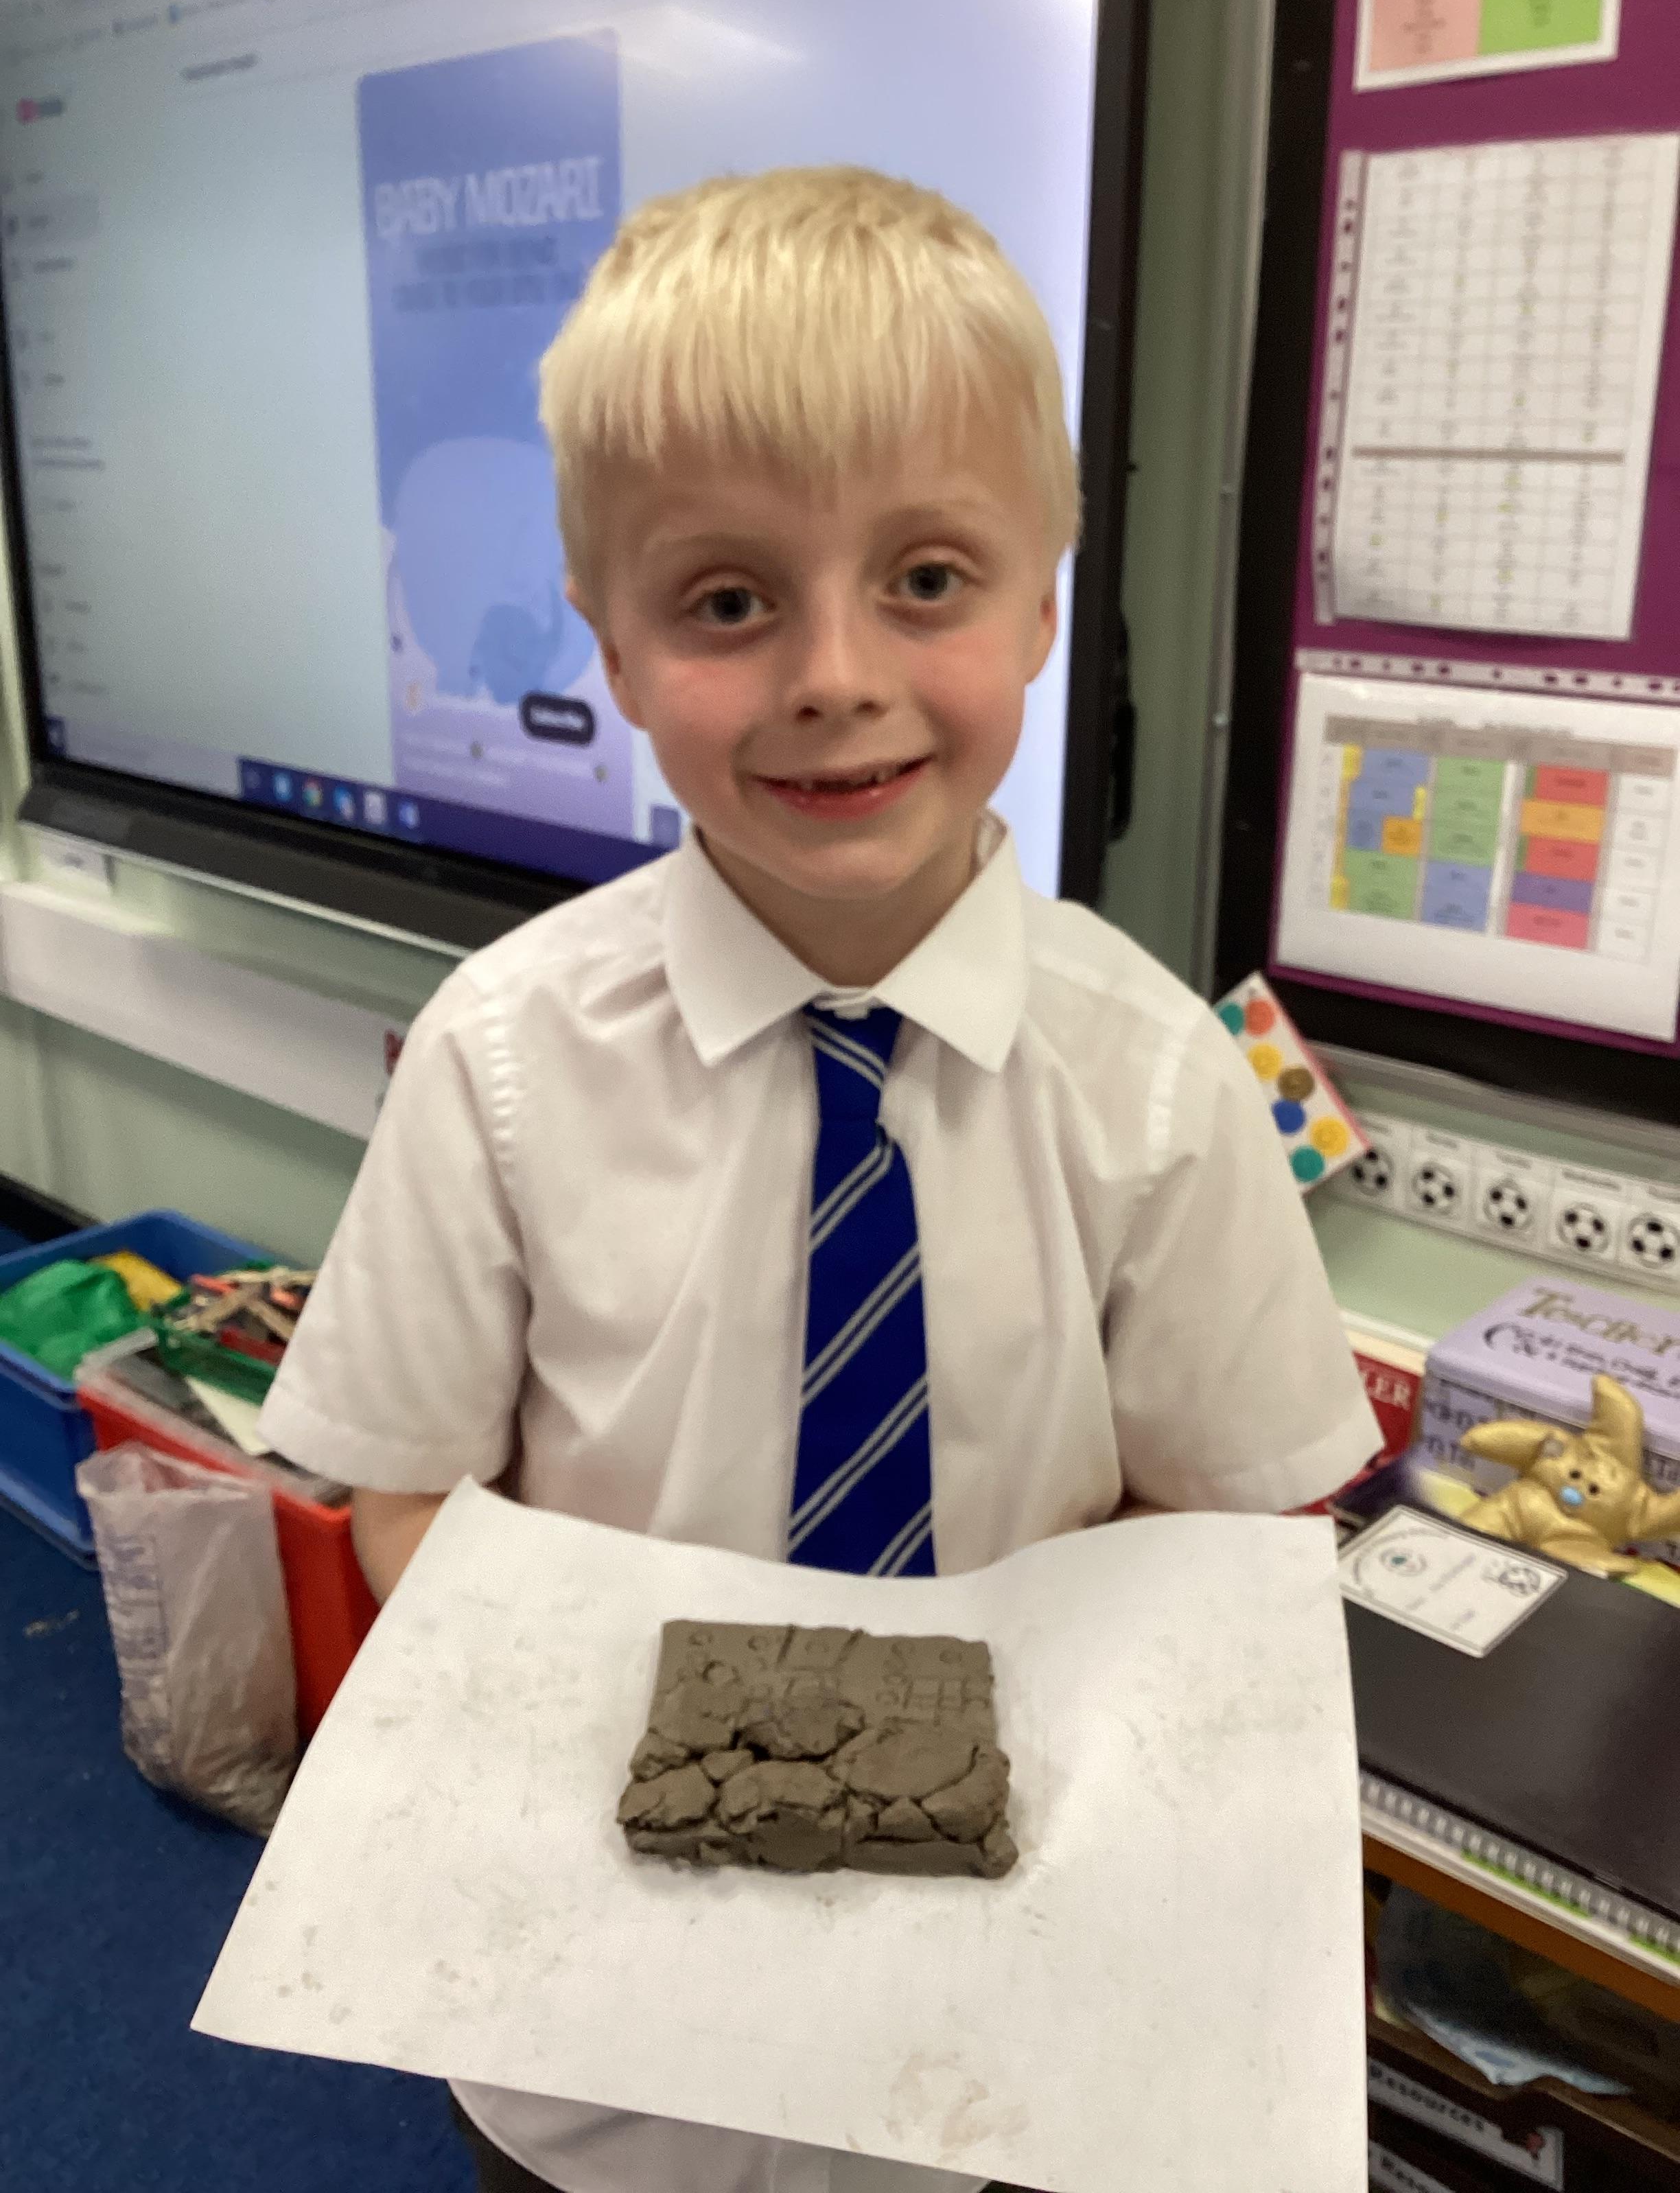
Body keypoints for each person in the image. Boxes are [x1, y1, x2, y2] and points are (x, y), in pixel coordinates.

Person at [259, 165, 1381, 2193]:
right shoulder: (499, 1061)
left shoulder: (1156, 1088)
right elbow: (403, 1492)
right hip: (595, 2035)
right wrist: (694, 1723)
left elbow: (1228, 1535)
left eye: (928, 578)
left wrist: (963, 1746)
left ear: (1044, 604)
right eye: (727, 601)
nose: (835, 673)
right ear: (610, 646)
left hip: (1000, 2032)